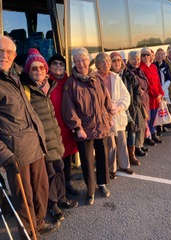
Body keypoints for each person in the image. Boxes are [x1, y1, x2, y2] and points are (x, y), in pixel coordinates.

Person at [0, 36, 59, 240]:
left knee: (41, 190)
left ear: (15, 56)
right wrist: (4, 155)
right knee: (24, 199)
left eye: (9, 52)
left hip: (34, 144)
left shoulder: (14, 73)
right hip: (16, 152)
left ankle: (38, 224)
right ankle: (28, 234)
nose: (5, 55)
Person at [21, 48, 78, 223]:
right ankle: (52, 206)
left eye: (41, 68)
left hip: (55, 139)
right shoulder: (26, 90)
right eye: (34, 68)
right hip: (42, 142)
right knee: (49, 176)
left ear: (46, 70)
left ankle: (62, 199)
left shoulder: (48, 86)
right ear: (28, 71)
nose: (38, 71)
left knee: (59, 170)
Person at [61, 47, 113, 206]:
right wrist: (77, 128)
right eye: (77, 61)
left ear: (88, 61)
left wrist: (109, 116)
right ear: (74, 63)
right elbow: (68, 108)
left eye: (83, 60)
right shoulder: (71, 82)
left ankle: (102, 184)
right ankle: (90, 190)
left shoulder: (96, 78)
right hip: (84, 129)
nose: (81, 63)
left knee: (102, 157)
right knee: (87, 160)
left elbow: (106, 99)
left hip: (101, 125)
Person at [94, 52, 133, 179]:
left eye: (107, 61)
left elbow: (126, 96)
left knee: (122, 141)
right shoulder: (94, 78)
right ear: (97, 65)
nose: (106, 64)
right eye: (102, 62)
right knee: (110, 144)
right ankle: (112, 168)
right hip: (104, 116)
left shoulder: (115, 77)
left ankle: (125, 165)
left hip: (118, 114)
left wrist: (120, 107)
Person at [47, 53, 80, 196]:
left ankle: (68, 183)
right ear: (49, 66)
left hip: (66, 125)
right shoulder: (45, 81)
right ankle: (58, 189)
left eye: (61, 64)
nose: (58, 66)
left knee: (66, 156)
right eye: (55, 63)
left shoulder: (68, 80)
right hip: (53, 126)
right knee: (56, 158)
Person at [110, 51, 146, 164]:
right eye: (114, 60)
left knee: (132, 131)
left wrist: (135, 102)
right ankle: (119, 158)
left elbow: (137, 88)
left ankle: (132, 155)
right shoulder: (108, 75)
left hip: (129, 107)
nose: (117, 63)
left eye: (119, 60)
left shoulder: (127, 73)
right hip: (116, 109)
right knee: (120, 134)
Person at [126, 51, 151, 153]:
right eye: (133, 59)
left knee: (142, 124)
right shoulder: (128, 72)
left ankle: (140, 144)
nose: (136, 61)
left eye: (137, 59)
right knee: (137, 125)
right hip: (136, 101)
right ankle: (136, 147)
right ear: (129, 60)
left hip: (143, 100)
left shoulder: (139, 70)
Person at [140, 47, 164, 144]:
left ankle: (153, 133)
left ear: (151, 56)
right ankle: (148, 136)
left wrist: (161, 93)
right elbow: (147, 84)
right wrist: (156, 94)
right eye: (143, 55)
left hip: (156, 98)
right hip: (149, 97)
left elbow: (157, 81)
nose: (146, 57)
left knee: (154, 117)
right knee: (148, 118)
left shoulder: (153, 66)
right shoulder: (141, 68)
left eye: (147, 55)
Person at [154, 48, 171, 135]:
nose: (159, 56)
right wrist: (158, 90)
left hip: (164, 91)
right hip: (156, 92)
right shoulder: (153, 66)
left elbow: (169, 78)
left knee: (164, 108)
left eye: (161, 54)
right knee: (158, 110)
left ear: (164, 56)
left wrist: (162, 89)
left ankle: (164, 125)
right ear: (155, 55)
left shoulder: (166, 66)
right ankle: (158, 127)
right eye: (158, 54)